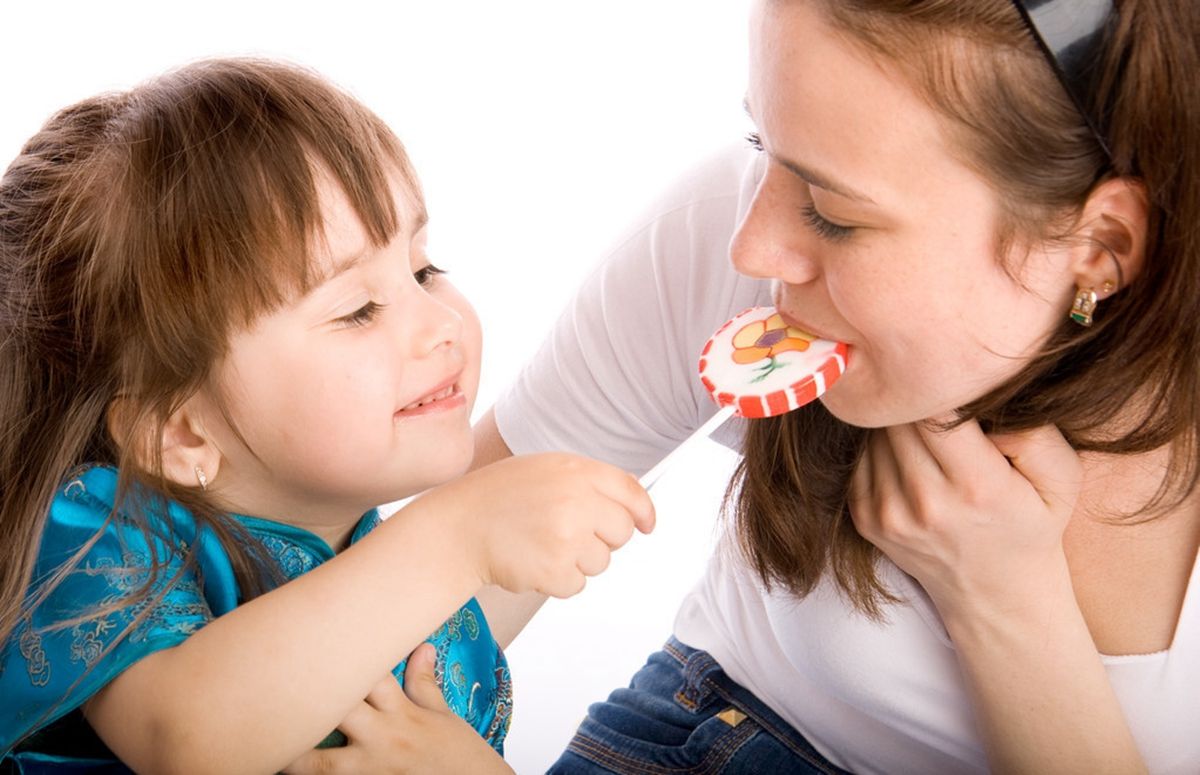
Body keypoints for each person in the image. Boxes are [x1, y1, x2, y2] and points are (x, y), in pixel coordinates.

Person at [463, 0, 1200, 772]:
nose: (751, 246)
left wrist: (1002, 600)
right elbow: (422, 618)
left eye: (833, 214)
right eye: (761, 142)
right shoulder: (721, 231)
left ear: (1101, 243)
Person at [0, 58, 654, 774]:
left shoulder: (415, 594)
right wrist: (451, 535)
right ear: (182, 430)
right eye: (358, 310)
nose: (439, 323)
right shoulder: (106, 531)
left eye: (423, 268)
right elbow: (187, 738)